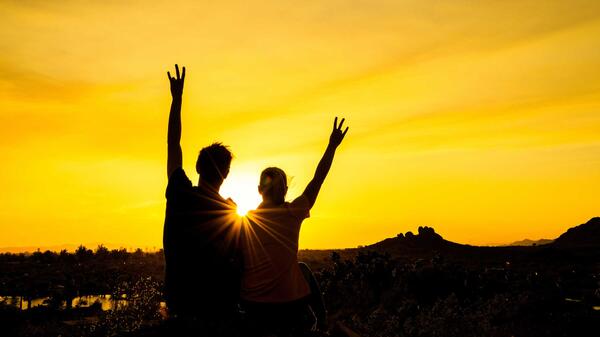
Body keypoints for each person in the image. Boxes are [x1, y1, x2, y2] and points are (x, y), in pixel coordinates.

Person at [240, 117, 349, 335]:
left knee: (301, 269)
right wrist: (332, 146)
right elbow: (318, 179)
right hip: (287, 305)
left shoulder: (245, 221)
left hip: (253, 305)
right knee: (303, 269)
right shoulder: (292, 213)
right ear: (285, 189)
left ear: (259, 190)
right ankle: (322, 321)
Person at [162, 64, 242, 328]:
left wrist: (177, 101)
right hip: (216, 307)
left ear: (197, 167)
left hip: (180, 302)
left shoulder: (180, 192)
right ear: (227, 174)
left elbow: (173, 145)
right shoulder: (231, 212)